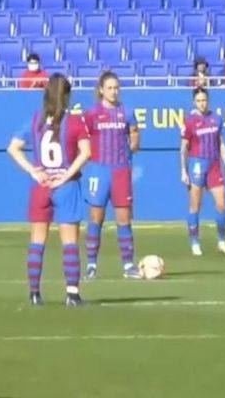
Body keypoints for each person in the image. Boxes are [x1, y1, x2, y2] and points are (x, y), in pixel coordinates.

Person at [7, 74, 91, 307]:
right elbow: (86, 152)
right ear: (67, 95)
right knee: (69, 242)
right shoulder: (74, 122)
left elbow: (13, 148)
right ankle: (72, 294)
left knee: (37, 240)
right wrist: (66, 174)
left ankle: (34, 293)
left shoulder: (36, 120)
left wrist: (33, 171)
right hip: (65, 186)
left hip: (41, 186)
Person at [81, 72, 141, 280]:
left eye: (116, 88)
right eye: (110, 88)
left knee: (124, 220)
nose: (114, 92)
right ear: (101, 90)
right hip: (98, 170)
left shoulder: (127, 112)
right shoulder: (91, 114)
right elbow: (82, 139)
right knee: (95, 219)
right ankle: (91, 265)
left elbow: (135, 137)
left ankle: (128, 265)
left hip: (121, 171)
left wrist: (133, 142)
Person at [180, 88, 225, 257]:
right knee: (195, 206)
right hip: (197, 164)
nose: (202, 103)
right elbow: (184, 147)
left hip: (214, 165)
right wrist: (183, 170)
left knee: (222, 204)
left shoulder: (216, 118)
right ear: (194, 102)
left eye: (204, 100)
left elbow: (221, 143)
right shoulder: (189, 121)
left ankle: (222, 242)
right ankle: (195, 243)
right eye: (198, 101)